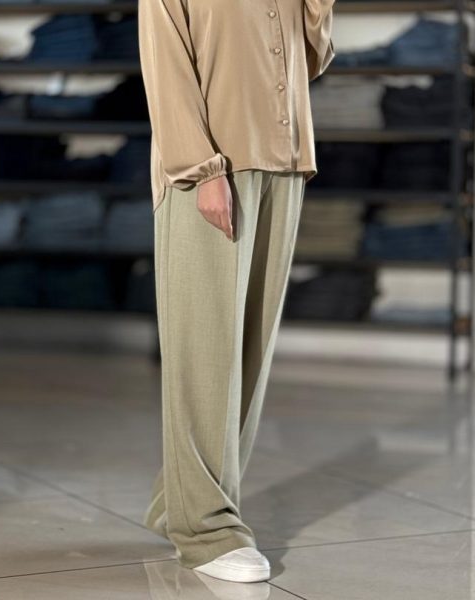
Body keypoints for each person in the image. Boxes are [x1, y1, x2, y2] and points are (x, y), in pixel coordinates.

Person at [138, 0, 335, 584]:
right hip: (208, 172)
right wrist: (201, 170)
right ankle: (205, 531)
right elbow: (166, 63)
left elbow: (312, 59)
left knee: (249, 354)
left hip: (285, 162)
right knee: (205, 350)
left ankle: (182, 501)